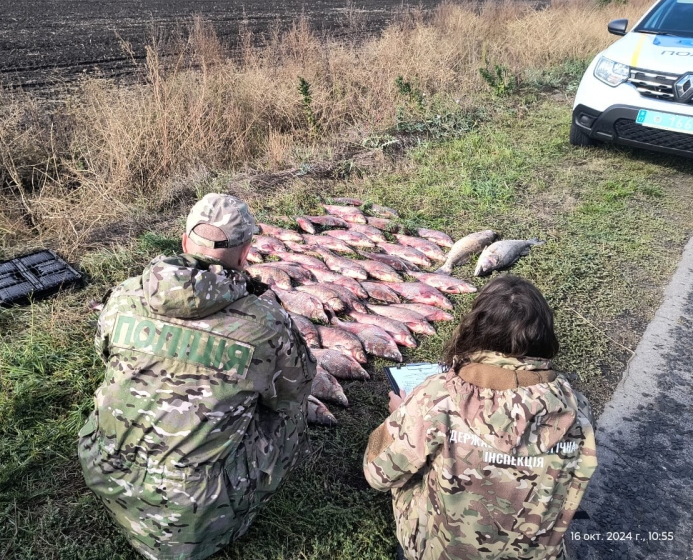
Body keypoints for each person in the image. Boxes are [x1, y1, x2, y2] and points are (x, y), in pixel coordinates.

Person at [78, 193, 315, 560]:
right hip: (196, 517)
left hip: (108, 475)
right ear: (245, 252)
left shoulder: (125, 295)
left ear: (185, 241)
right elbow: (292, 394)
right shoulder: (266, 319)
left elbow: (103, 353)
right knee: (292, 413)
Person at [363, 275, 597, 560]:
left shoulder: (436, 398)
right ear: (545, 337)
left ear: (474, 330)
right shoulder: (576, 409)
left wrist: (402, 415)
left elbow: (376, 473)